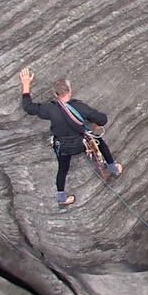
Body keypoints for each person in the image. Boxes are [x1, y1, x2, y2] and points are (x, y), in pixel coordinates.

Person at [19, 68, 121, 207]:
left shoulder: (49, 109)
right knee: (99, 142)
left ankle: (61, 198)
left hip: (63, 147)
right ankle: (113, 168)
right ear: (70, 91)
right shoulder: (80, 107)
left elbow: (28, 107)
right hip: (82, 143)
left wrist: (26, 84)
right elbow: (102, 119)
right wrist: (95, 125)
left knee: (62, 169)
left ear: (55, 94)